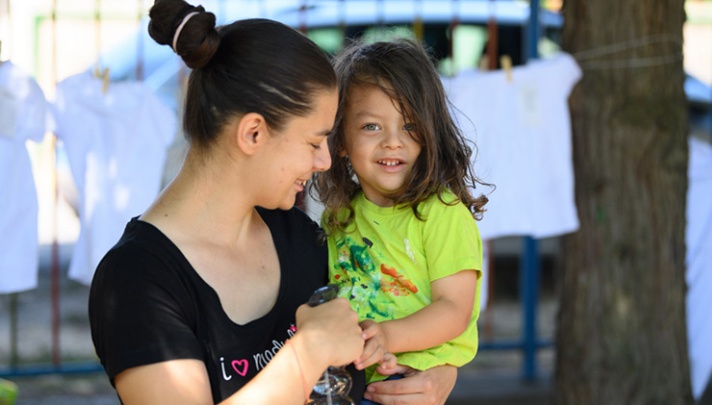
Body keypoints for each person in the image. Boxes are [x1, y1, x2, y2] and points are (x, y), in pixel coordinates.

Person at [88, 1, 457, 404]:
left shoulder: (301, 237)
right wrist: (305, 353)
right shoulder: (137, 281)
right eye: (314, 142)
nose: (325, 161)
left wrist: (437, 374)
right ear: (253, 134)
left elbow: (395, 324)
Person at [313, 38, 488, 404]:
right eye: (372, 127)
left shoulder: (442, 212)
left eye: (409, 126)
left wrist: (388, 337)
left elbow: (455, 310)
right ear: (341, 139)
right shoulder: (340, 216)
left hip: (410, 388)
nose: (394, 142)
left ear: (430, 133)